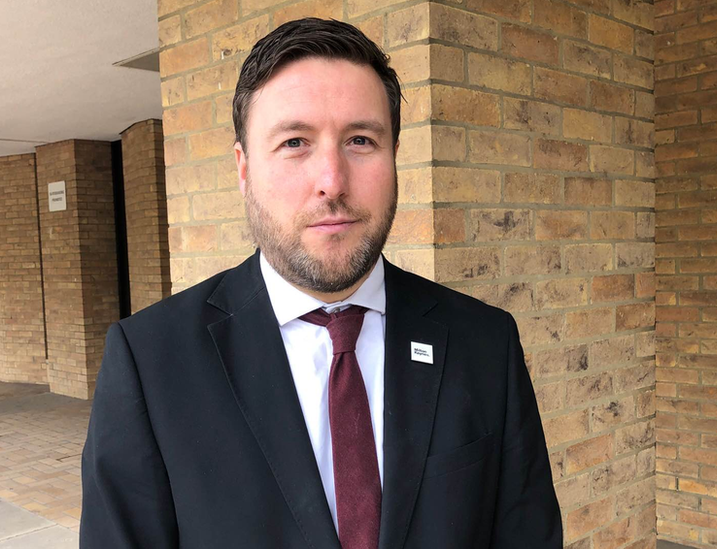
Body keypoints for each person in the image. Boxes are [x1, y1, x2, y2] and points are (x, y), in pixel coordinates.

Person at [80, 17, 562, 549]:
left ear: (394, 156)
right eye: (294, 142)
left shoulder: (484, 342)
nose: (331, 181)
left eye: (360, 139)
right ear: (243, 168)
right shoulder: (150, 361)